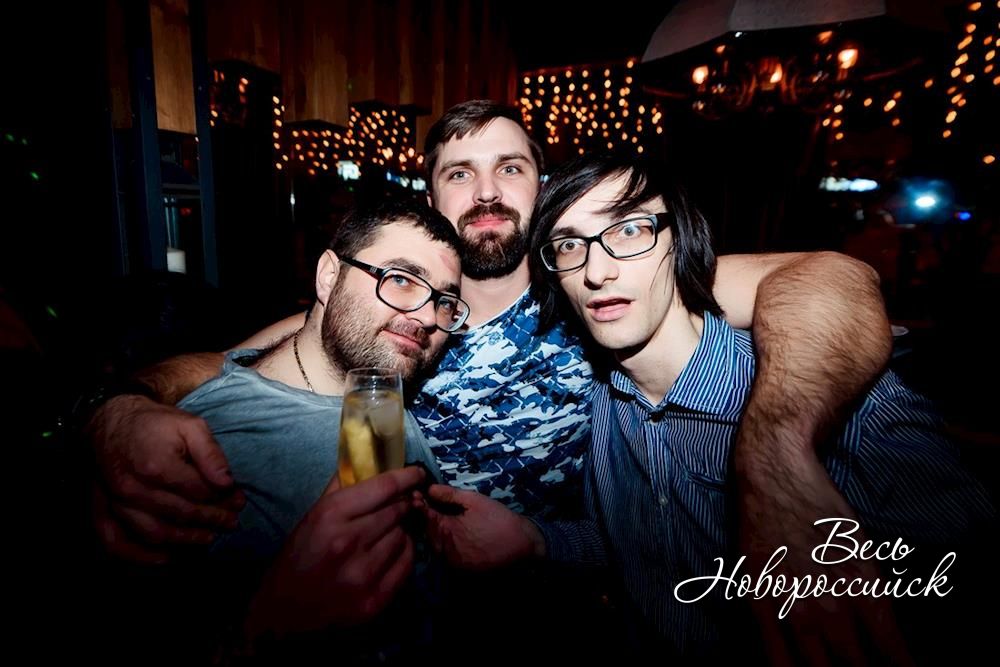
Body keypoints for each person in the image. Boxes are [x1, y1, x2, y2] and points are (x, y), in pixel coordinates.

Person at [85, 101, 895, 659]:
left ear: (541, 186)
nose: (486, 192)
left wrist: (772, 458)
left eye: (510, 167)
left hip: (578, 614)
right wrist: (116, 410)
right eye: (459, 173)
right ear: (432, 195)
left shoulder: (598, 289)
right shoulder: (396, 314)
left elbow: (833, 279)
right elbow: (216, 368)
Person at [419, 154, 995, 663]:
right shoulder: (603, 406)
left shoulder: (834, 400)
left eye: (630, 230)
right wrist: (534, 539)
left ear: (683, 243)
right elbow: (628, 548)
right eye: (570, 245)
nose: (598, 270)